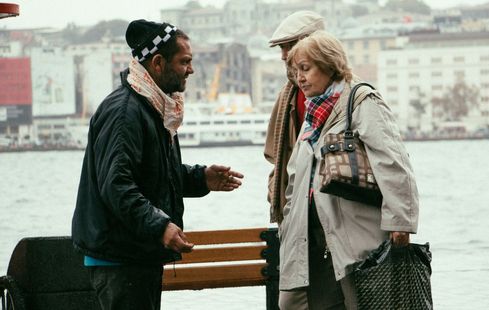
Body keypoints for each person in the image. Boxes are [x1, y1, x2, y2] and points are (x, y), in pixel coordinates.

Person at [71, 19, 243, 310]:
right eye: (184, 61)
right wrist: (160, 227)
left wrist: (202, 179)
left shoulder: (152, 106)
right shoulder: (126, 113)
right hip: (120, 258)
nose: (191, 69)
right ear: (159, 62)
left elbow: (154, 174)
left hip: (134, 253)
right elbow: (117, 185)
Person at [278, 30, 419, 309]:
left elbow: (393, 162)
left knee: (362, 302)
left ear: (329, 64)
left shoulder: (361, 101)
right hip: (311, 240)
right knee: (291, 304)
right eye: (296, 71)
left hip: (355, 235)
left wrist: (400, 222)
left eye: (305, 69)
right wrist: (287, 225)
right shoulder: (312, 116)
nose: (299, 78)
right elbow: (295, 178)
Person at [264, 11, 325, 225]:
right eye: (281, 48)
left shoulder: (352, 95)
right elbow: (279, 156)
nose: (283, 55)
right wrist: (275, 188)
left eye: (287, 46)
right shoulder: (288, 95)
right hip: (297, 212)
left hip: (334, 211)